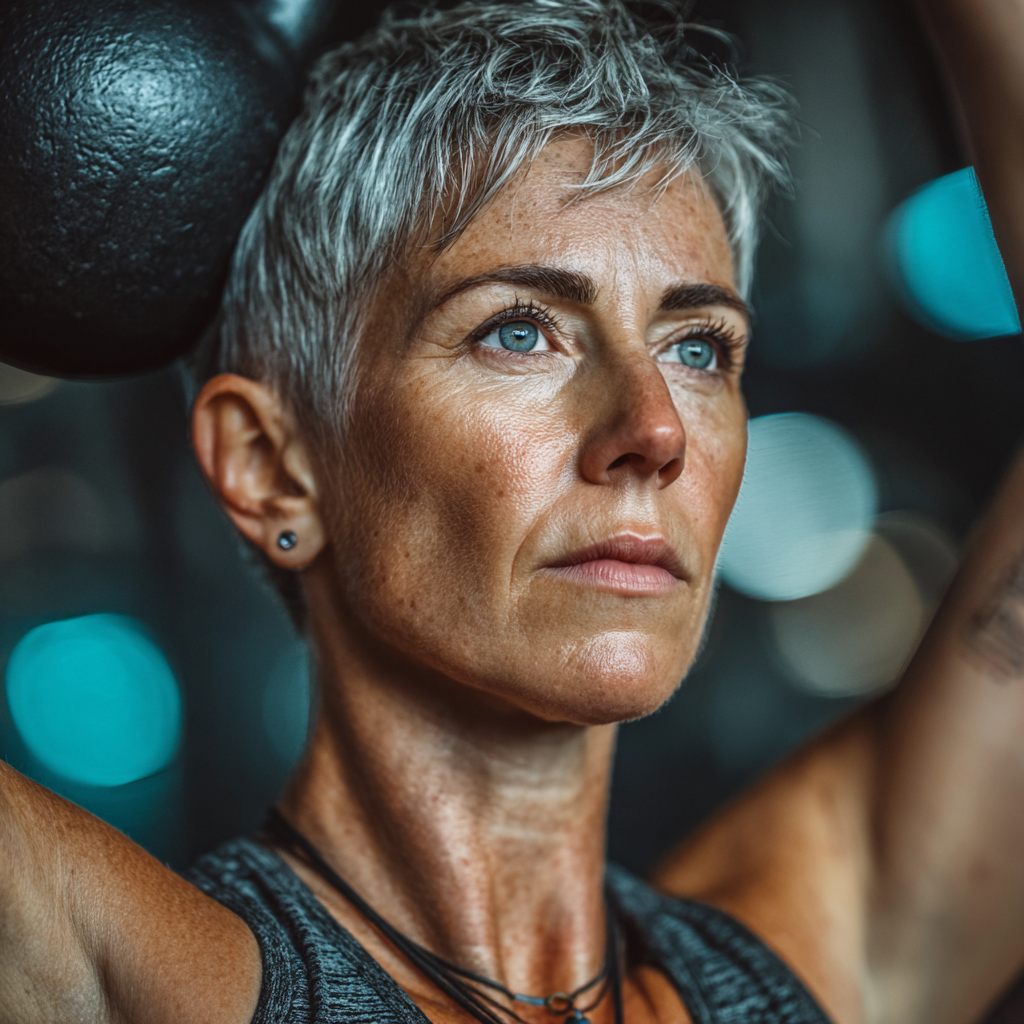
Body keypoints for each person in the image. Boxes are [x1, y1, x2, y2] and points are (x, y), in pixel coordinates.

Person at [3, 0, 1024, 1021]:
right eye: (519, 332)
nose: (654, 428)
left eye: (698, 346)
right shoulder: (115, 977)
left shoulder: (830, 959)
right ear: (273, 465)